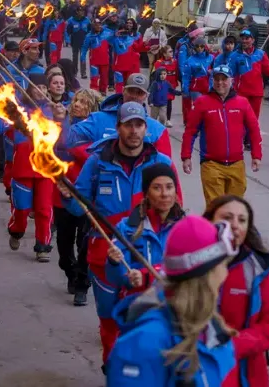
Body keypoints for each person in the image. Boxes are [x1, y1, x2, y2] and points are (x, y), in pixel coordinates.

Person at [56, 101, 180, 368]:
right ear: (118, 128)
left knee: (151, 322)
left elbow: (175, 210)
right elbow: (79, 208)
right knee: (110, 320)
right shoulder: (97, 162)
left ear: (146, 128)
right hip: (105, 255)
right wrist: (68, 197)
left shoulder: (161, 163)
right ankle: (115, 369)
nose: (133, 131)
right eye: (128, 125)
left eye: (138, 125)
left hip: (150, 255)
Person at [106, 216, 238, 386]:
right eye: (222, 265)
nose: (226, 273)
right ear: (206, 275)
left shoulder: (212, 327)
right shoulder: (144, 343)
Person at [202, 195, 269, 387]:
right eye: (227, 218)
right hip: (197, 369)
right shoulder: (191, 260)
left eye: (242, 220)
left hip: (245, 373)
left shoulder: (258, 268)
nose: (234, 225)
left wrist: (234, 346)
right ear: (209, 221)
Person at [182, 65, 263, 207]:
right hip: (211, 164)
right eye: (216, 79)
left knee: (235, 208)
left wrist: (256, 155)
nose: (220, 83)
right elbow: (190, 131)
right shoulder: (202, 102)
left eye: (224, 79)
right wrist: (186, 156)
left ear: (231, 80)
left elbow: (254, 129)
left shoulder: (242, 103)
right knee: (216, 209)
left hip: (237, 164)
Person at [106, 163, 186, 302]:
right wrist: (114, 263)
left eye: (169, 187)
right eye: (156, 188)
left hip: (175, 306)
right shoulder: (127, 228)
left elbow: (191, 272)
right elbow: (116, 279)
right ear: (146, 193)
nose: (165, 194)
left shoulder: (187, 229)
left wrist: (147, 276)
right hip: (138, 306)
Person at [53, 89, 100, 307]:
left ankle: (82, 284)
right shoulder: (65, 125)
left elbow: (94, 156)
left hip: (86, 195)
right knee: (63, 243)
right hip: (63, 191)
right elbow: (52, 148)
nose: (77, 105)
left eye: (83, 102)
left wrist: (76, 149)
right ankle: (69, 270)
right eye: (76, 101)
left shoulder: (95, 129)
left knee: (84, 243)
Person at [59, 73, 172, 158]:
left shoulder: (158, 130)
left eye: (139, 93)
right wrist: (59, 119)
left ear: (146, 96)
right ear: (123, 91)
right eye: (131, 91)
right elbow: (66, 140)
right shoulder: (98, 119)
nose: (134, 96)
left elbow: (165, 171)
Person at [6, 72, 54, 262]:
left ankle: (42, 246)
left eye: (43, 87)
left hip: (46, 169)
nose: (40, 91)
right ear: (29, 89)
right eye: (36, 87)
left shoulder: (52, 110)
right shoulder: (20, 110)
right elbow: (11, 137)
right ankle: (16, 231)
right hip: (24, 167)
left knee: (44, 209)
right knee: (22, 209)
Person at [235, 29, 269, 123]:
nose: (244, 41)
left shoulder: (261, 54)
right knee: (240, 118)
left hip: (256, 93)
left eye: (247, 38)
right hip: (241, 92)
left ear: (253, 40)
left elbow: (268, 70)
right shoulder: (235, 55)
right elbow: (230, 74)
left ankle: (250, 137)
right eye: (242, 38)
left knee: (253, 120)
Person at [82, 19, 114, 94]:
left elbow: (114, 34)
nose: (98, 26)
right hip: (94, 61)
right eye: (96, 25)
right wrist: (82, 57)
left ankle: (102, 91)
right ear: (93, 26)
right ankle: (93, 92)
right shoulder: (89, 36)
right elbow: (84, 47)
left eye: (99, 24)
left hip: (105, 61)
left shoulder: (106, 34)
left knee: (104, 78)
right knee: (94, 78)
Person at [153, 46, 180, 127]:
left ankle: (168, 120)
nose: (172, 53)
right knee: (160, 103)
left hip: (171, 86)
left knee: (169, 102)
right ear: (164, 54)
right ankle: (156, 119)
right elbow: (156, 75)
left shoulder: (175, 61)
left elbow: (177, 73)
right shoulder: (158, 62)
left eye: (172, 51)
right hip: (161, 86)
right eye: (170, 51)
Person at [182, 37, 214, 105]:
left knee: (208, 110)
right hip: (196, 89)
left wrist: (212, 72)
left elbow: (217, 71)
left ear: (204, 46)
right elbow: (186, 77)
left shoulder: (211, 57)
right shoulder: (190, 60)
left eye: (202, 46)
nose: (199, 48)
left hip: (209, 88)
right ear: (194, 47)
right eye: (197, 46)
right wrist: (185, 90)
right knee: (199, 108)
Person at [65, 7, 92, 78]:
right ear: (77, 12)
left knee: (83, 58)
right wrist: (67, 40)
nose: (82, 12)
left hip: (84, 42)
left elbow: (90, 31)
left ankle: (83, 73)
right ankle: (74, 72)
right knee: (75, 58)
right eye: (80, 11)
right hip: (75, 42)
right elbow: (68, 31)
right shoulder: (72, 20)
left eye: (82, 11)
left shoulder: (87, 20)